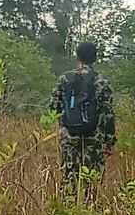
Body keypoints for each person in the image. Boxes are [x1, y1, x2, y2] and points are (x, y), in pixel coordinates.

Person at [50, 42, 116, 200]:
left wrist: (64, 126)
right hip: (94, 138)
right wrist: (109, 141)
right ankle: (90, 213)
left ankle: (67, 213)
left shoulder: (64, 79)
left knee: (68, 176)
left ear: (77, 57)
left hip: (69, 136)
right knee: (92, 179)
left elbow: (53, 107)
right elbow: (107, 114)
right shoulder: (101, 81)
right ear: (95, 58)